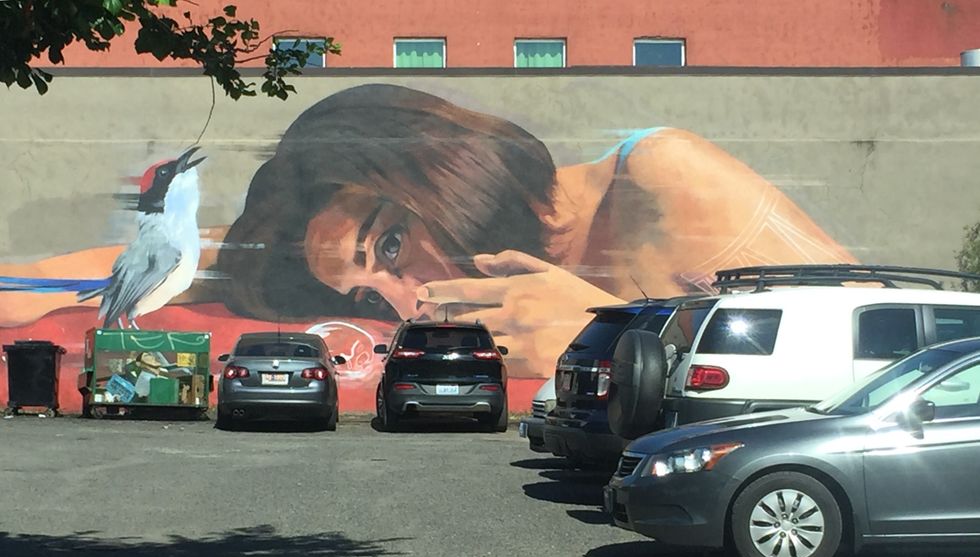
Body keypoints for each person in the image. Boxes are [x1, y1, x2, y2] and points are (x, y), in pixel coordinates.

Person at [1, 83, 856, 377]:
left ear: (438, 167)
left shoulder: (664, 181)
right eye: (372, 295)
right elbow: (194, 255)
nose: (408, 303)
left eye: (390, 248)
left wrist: (608, 335)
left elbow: (868, 349)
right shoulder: (446, 276)